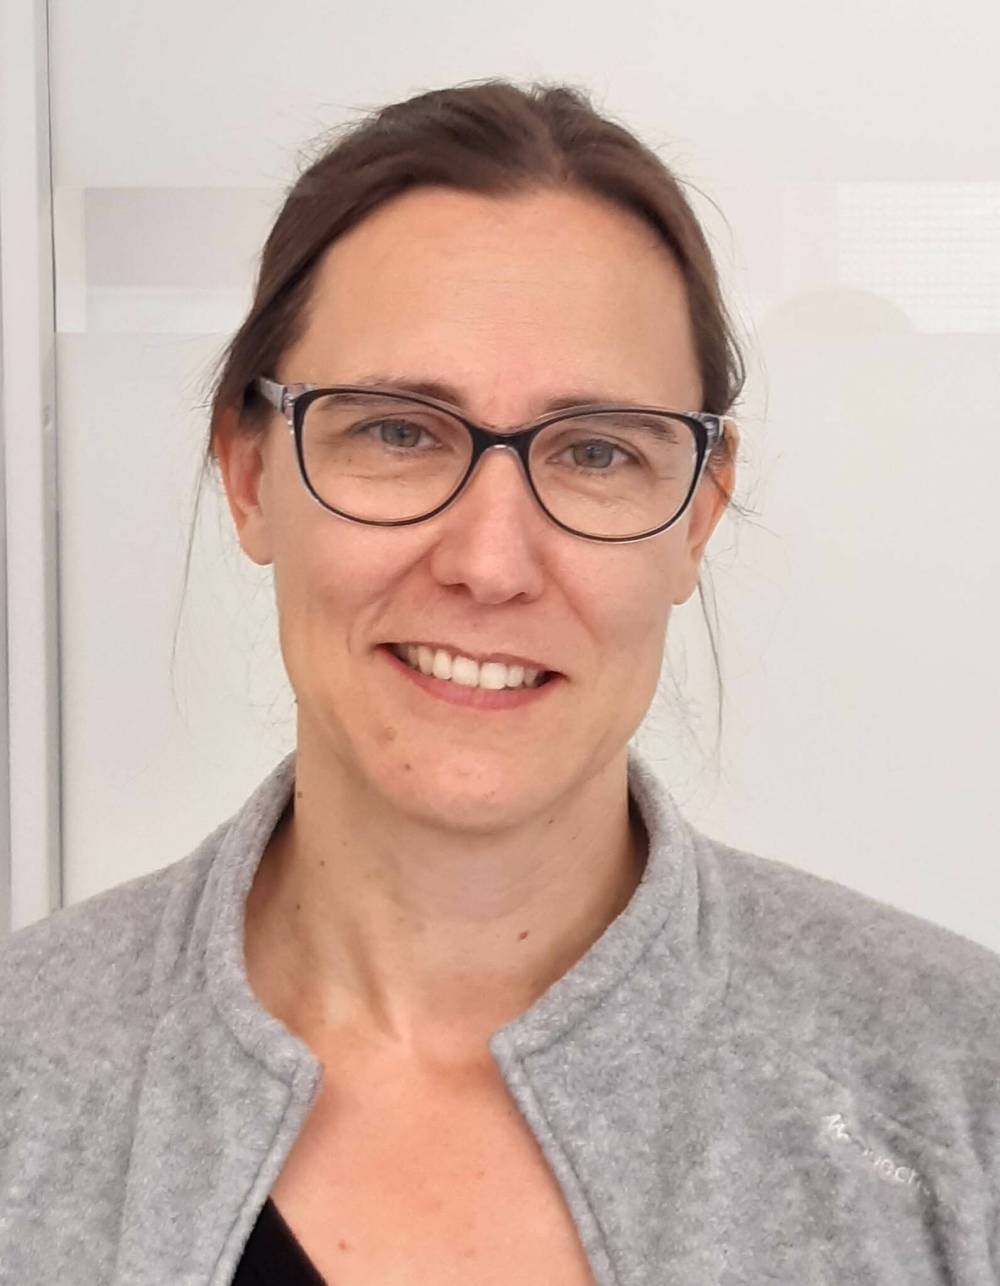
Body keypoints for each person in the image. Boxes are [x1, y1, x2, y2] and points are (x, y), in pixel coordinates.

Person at [1, 79, 998, 1286]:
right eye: (397, 430)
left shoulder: (959, 1090)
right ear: (249, 472)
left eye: (595, 452)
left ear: (696, 516)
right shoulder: (26, 1074)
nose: (488, 561)